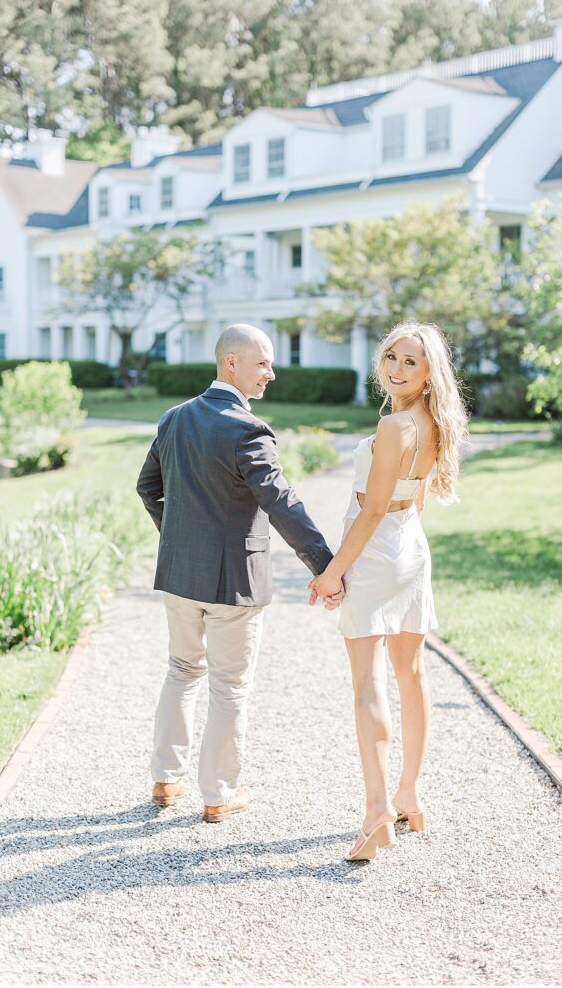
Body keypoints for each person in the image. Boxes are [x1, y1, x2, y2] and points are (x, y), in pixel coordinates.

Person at [137, 324, 343, 823]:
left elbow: (148, 489)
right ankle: (219, 793)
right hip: (234, 583)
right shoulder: (247, 428)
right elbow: (281, 502)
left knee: (181, 671)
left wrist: (181, 539)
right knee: (229, 686)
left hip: (181, 576)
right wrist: (327, 566)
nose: (271, 374)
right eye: (263, 363)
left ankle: (166, 779)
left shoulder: (174, 419)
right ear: (232, 362)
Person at [308, 321, 468, 860]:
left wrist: (333, 572)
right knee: (412, 671)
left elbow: (372, 509)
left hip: (378, 549)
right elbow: (412, 499)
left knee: (368, 681)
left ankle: (378, 812)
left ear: (427, 376)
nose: (396, 369)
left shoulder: (396, 426)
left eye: (410, 363)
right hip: (410, 547)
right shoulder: (432, 422)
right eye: (392, 358)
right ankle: (410, 795)